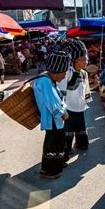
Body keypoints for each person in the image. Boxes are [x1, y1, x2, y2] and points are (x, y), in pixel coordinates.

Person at [33, 51, 71, 179]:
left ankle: (57, 162)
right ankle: (49, 170)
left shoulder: (48, 79)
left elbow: (58, 96)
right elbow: (52, 102)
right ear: (56, 71)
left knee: (58, 141)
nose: (64, 76)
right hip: (52, 118)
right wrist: (63, 113)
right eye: (63, 73)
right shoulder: (45, 81)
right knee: (53, 143)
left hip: (55, 119)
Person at [59, 39, 92, 155]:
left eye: (86, 58)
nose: (86, 61)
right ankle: (66, 147)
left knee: (81, 126)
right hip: (69, 107)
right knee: (68, 128)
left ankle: (81, 143)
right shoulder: (67, 72)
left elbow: (86, 88)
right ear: (74, 61)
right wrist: (61, 106)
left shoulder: (84, 73)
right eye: (82, 59)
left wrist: (86, 100)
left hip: (80, 105)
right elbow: (61, 89)